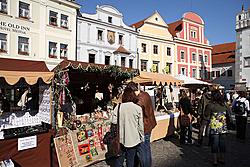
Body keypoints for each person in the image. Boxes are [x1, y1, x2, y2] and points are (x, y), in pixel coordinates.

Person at [111, 86, 144, 167]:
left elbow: (113, 121)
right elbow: (140, 126)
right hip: (133, 139)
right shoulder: (137, 108)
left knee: (119, 159)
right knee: (131, 160)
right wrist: (142, 137)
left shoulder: (118, 107)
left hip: (121, 138)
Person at [126, 81, 157, 167]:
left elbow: (136, 115)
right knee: (147, 149)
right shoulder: (145, 94)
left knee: (142, 151)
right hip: (149, 125)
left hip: (143, 127)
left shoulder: (139, 100)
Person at [204, 90, 230, 166]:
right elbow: (229, 114)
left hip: (214, 127)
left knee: (214, 144)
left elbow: (206, 115)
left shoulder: (210, 105)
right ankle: (222, 158)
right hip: (223, 127)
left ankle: (215, 160)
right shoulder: (224, 104)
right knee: (222, 143)